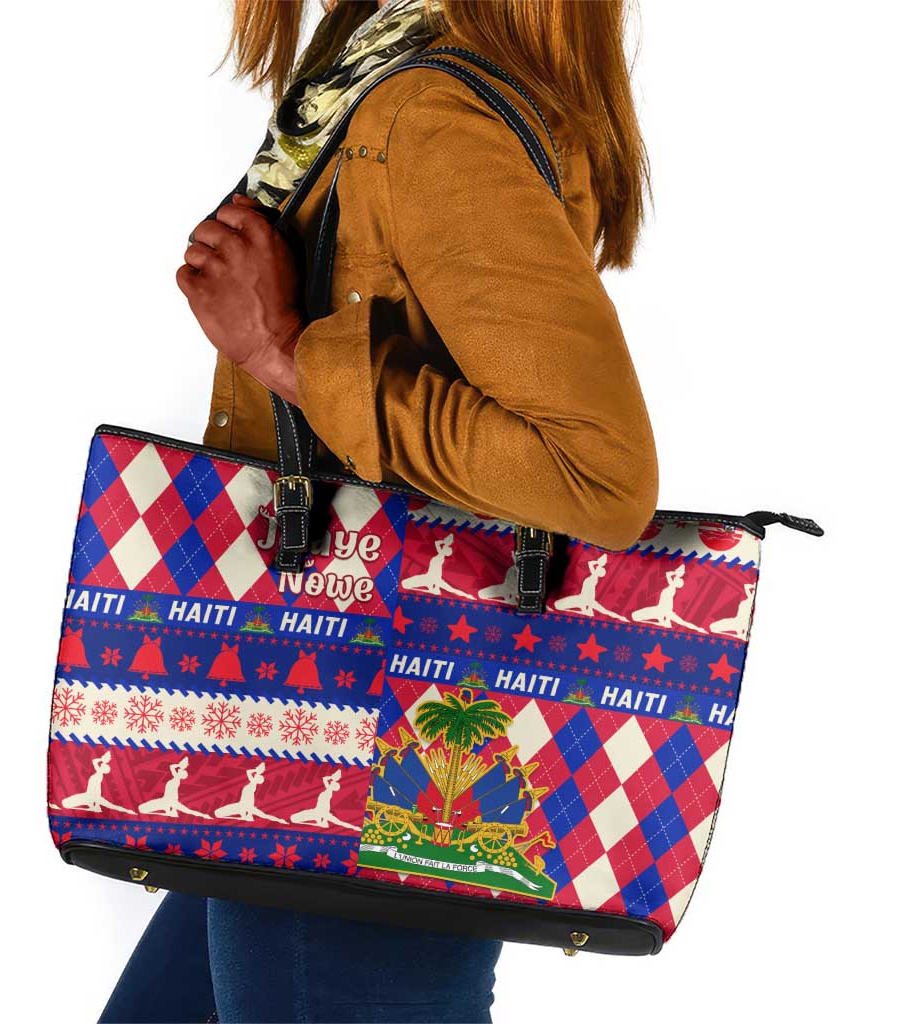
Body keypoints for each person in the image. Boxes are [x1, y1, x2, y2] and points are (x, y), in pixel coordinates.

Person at [101, 0, 657, 1021]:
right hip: (303, 719)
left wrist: (282, 352)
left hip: (366, 742)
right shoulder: (387, 68)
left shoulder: (433, 115)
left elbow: (598, 475)